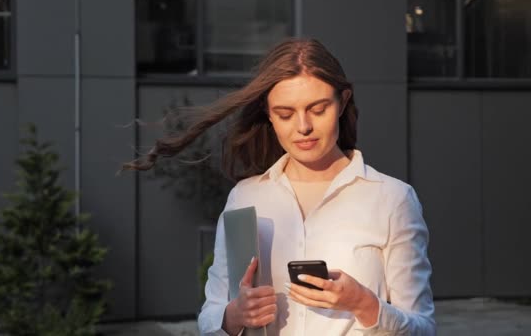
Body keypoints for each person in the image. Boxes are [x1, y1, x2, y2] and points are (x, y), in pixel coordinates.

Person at [124, 38, 435, 335]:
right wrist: (235, 315)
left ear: (343, 103)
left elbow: (424, 327)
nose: (303, 127)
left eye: (318, 109)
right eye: (285, 114)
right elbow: (210, 318)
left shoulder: (393, 199)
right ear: (269, 115)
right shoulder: (246, 197)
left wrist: (364, 304)